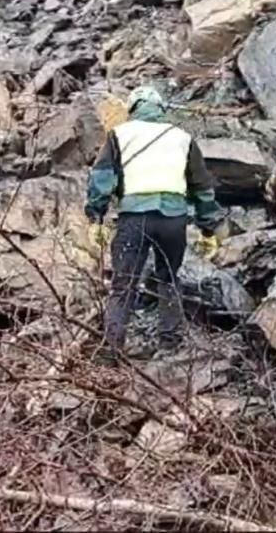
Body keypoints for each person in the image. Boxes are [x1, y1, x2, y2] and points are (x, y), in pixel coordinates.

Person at [85, 86, 227, 362]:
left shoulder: (119, 135)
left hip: (134, 220)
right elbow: (202, 188)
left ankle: (111, 351)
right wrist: (208, 229)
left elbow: (101, 179)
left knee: (123, 285)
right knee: (169, 279)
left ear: (133, 108)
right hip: (173, 221)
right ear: (161, 109)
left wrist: (96, 217)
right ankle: (170, 344)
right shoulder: (182, 138)